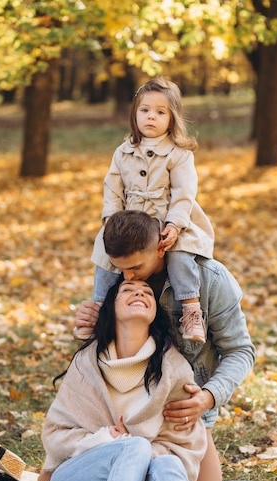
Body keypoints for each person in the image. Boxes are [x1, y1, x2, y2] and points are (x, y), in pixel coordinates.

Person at [35, 277, 235, 481]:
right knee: (136, 446)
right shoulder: (86, 365)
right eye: (128, 290)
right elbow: (55, 433)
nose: (139, 293)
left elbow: (182, 444)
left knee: (164, 459)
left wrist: (140, 451)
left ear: (155, 312)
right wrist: (105, 441)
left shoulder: (173, 370)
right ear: (110, 308)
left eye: (146, 292)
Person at [74, 210, 256, 481]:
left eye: (134, 268)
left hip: (178, 414)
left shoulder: (211, 279)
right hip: (124, 409)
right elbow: (101, 352)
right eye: (120, 270)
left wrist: (208, 397)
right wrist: (89, 324)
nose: (127, 278)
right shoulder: (116, 274)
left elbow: (240, 350)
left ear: (161, 247)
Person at [86, 76, 215, 344]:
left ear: (172, 118)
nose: (151, 117)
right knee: (106, 252)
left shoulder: (179, 154)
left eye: (160, 112)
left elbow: (184, 193)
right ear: (135, 114)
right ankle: (98, 310)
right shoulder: (123, 152)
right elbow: (112, 189)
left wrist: (175, 224)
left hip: (168, 220)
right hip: (129, 222)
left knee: (179, 254)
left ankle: (191, 310)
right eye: (144, 111)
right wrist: (111, 221)